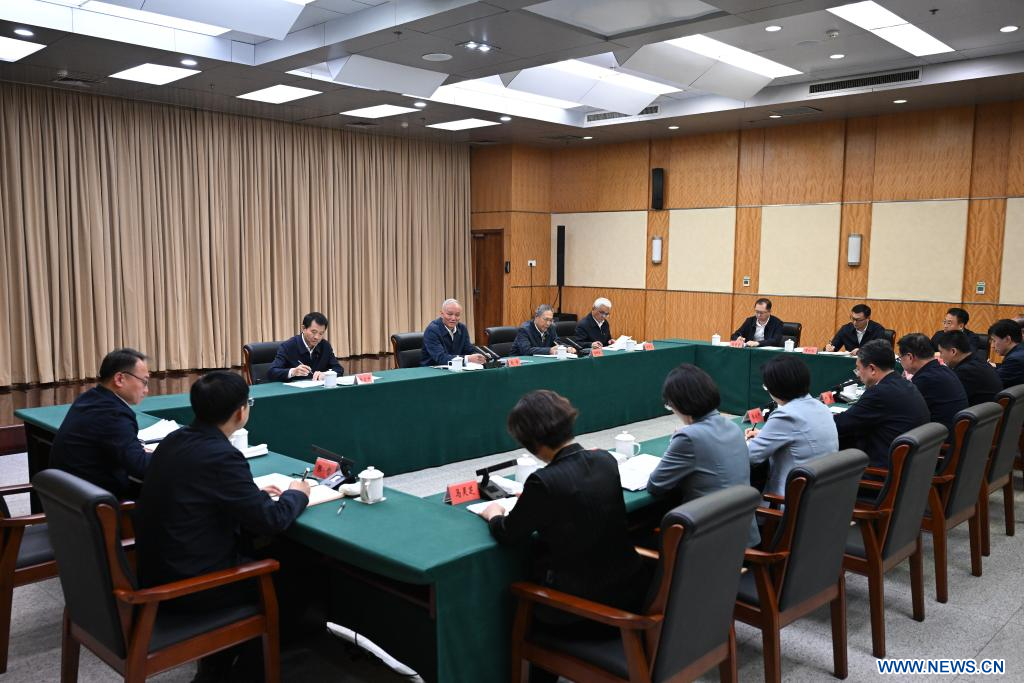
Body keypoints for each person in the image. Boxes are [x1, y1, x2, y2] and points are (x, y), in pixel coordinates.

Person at [138, 371, 310, 682]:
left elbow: (198, 491)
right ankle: (246, 673)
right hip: (193, 587)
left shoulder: (174, 440)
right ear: (240, 412)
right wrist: (298, 494)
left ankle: (217, 667)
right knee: (295, 574)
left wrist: (248, 494)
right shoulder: (222, 455)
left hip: (154, 570)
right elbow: (271, 521)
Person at [479, 390, 649, 683]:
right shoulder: (605, 459)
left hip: (581, 615)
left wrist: (494, 513)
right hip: (633, 596)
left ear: (532, 443)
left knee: (525, 606)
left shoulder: (543, 482)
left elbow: (508, 534)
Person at [647, 364, 759, 546]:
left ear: (680, 403)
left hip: (708, 540)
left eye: (670, 405)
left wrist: (677, 440)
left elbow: (655, 485)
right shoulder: (732, 426)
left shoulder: (688, 437)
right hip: (741, 532)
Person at [50, 348, 152, 500]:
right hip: (98, 505)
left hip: (71, 499)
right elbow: (140, 467)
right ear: (119, 379)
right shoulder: (114, 414)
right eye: (144, 381)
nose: (146, 390)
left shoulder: (89, 398)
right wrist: (169, 453)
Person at [745, 355, 839, 497]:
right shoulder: (821, 406)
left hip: (788, 500)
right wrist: (763, 435)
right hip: (821, 495)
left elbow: (751, 456)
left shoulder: (785, 414)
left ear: (776, 388)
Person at [834, 340, 930, 468]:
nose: (858, 374)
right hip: (910, 466)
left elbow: (841, 424)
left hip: (883, 470)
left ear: (872, 369)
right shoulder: (903, 382)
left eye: (858, 368)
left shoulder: (880, 392)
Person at [897, 333, 968, 439]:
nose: (900, 361)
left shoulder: (925, 380)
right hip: (952, 434)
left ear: (910, 357)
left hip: (938, 440)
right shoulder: (944, 370)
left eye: (900, 357)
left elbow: (904, 413)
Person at [267, 311, 344, 381]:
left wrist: (325, 375)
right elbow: (272, 372)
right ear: (304, 328)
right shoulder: (288, 346)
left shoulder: (325, 346)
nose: (317, 337)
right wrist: (293, 372)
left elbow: (338, 369)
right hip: (295, 390)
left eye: (321, 333)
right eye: (314, 332)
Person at [936, 330, 1003, 406]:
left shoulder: (965, 371)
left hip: (979, 411)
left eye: (941, 352)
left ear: (953, 351)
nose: (940, 357)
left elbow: (948, 398)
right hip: (990, 410)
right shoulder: (977, 359)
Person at [420, 298, 485, 366]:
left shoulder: (462, 328)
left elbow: (469, 350)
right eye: (449, 314)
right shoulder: (432, 330)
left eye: (457, 315)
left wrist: (478, 356)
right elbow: (441, 358)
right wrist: (467, 359)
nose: (453, 318)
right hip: (432, 369)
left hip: (456, 368)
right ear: (442, 314)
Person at [510, 304, 575, 357]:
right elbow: (526, 350)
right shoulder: (524, 329)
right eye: (546, 319)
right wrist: (549, 350)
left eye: (551, 320)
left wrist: (567, 348)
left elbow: (557, 342)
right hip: (519, 364)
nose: (548, 323)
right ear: (536, 317)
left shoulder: (551, 328)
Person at [989, 319, 1024, 388]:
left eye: (994, 340)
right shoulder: (1019, 351)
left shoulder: (1015, 360)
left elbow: (992, 382)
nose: (992, 346)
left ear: (1008, 339)